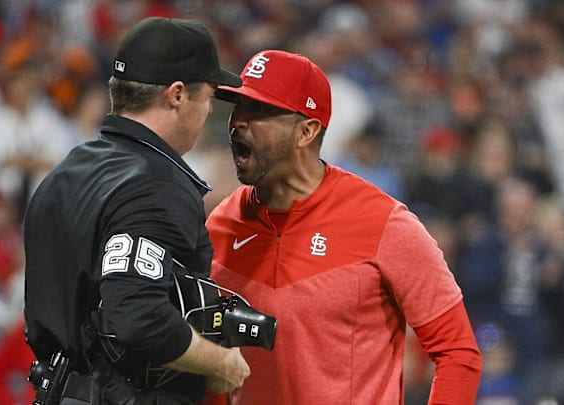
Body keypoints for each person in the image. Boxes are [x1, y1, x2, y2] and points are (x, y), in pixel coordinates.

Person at [205, 50, 482, 404]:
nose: (238, 123)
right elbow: (213, 355)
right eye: (237, 107)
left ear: (306, 131)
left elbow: (457, 350)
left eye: (258, 111)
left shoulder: (383, 223)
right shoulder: (222, 222)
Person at [23, 17, 250, 405]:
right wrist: (219, 362)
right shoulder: (156, 183)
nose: (209, 110)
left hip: (63, 389)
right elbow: (137, 317)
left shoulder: (72, 169)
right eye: (208, 97)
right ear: (177, 95)